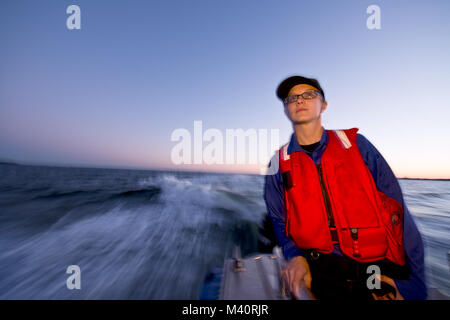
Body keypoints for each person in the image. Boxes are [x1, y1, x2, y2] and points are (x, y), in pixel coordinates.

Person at [264, 75, 427, 300]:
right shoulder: (277, 163)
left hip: (374, 269)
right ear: (285, 109)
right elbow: (279, 221)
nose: (300, 100)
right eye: (292, 98)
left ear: (324, 105)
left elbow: (398, 214)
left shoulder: (359, 146)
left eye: (309, 94)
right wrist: (294, 256)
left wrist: (415, 287)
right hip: (320, 269)